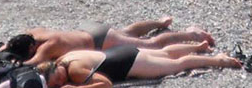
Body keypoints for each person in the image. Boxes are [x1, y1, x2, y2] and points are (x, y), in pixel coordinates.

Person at [4, 21, 214, 65]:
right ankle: (160, 22)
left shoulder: (48, 46)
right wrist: (2, 49)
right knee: (129, 31)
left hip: (100, 42)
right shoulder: (33, 32)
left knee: (151, 44)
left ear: (32, 47)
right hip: (89, 29)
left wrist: (12, 63)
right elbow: (8, 44)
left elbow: (33, 63)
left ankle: (193, 34)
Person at [38, 43, 240, 87]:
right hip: (120, 51)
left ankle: (219, 60)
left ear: (56, 73)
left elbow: (105, 84)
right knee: (164, 52)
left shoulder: (74, 71)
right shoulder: (63, 58)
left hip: (129, 63)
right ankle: (198, 46)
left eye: (57, 82)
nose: (59, 84)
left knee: (176, 65)